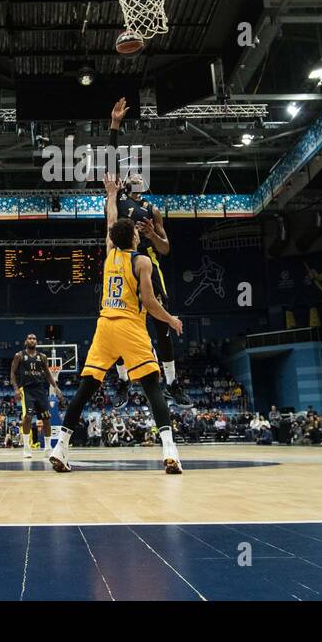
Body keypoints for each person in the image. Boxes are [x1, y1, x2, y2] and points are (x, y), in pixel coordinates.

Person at [50, 174, 184, 474]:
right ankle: (170, 450)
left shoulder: (110, 253)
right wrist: (171, 319)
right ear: (134, 238)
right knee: (152, 387)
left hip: (104, 328)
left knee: (85, 390)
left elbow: (111, 219)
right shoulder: (142, 262)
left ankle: (60, 447)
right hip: (129, 328)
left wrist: (111, 195)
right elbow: (150, 304)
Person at [106, 98, 193, 410]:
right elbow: (111, 159)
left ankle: (171, 382)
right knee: (117, 323)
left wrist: (153, 234)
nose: (135, 177)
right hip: (121, 266)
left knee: (162, 326)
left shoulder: (152, 209)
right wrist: (115, 125)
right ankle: (122, 381)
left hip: (148, 266)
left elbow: (167, 249)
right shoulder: (117, 197)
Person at [10, 332, 61, 458]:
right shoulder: (19, 356)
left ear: (36, 342)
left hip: (40, 390)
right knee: (27, 417)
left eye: (34, 338)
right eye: (30, 338)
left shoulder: (42, 356)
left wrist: (56, 387)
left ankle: (48, 448)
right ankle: (27, 448)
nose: (32, 340)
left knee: (46, 419)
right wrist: (16, 389)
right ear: (26, 341)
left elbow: (48, 374)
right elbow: (12, 373)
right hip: (27, 389)